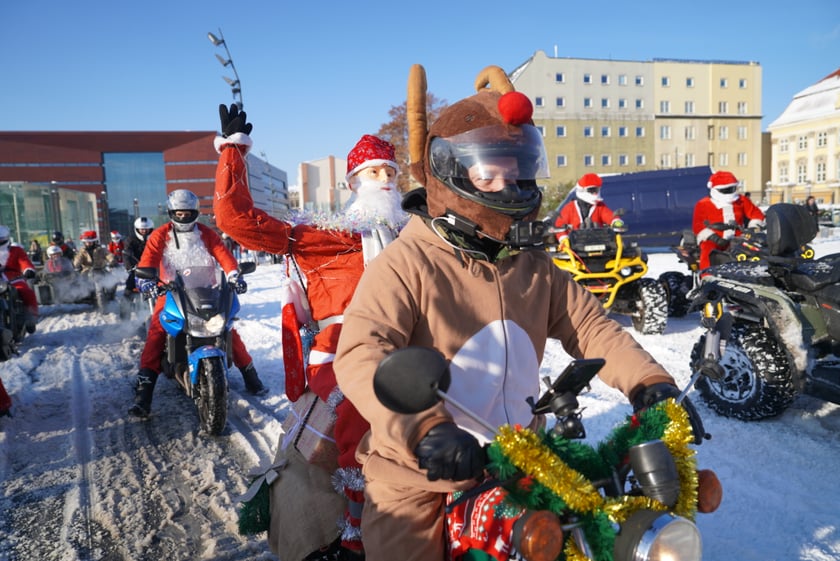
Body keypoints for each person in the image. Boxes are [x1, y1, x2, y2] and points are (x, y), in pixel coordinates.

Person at [332, 64, 706, 561]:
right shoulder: (409, 262)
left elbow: (592, 327)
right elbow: (362, 354)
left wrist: (650, 384)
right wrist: (426, 430)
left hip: (520, 460)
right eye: (489, 172)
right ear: (450, 171)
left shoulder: (532, 265)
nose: (507, 185)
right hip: (423, 474)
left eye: (517, 170)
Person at [214, 103, 407, 559]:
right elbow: (236, 221)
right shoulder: (327, 235)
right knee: (361, 421)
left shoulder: (412, 237)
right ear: (352, 183)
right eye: (372, 172)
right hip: (340, 356)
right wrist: (232, 153)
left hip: (404, 350)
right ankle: (356, 539)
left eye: (390, 172)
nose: (382, 180)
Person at [128, 189, 267, 419]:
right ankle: (144, 395)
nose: (183, 217)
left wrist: (234, 275)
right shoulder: (160, 235)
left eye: (188, 212)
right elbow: (147, 262)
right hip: (170, 293)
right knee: (155, 334)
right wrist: (146, 282)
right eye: (179, 213)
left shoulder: (206, 233)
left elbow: (224, 255)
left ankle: (251, 377)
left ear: (196, 212)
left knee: (228, 329)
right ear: (172, 212)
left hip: (206, 290)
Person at [692, 170, 765, 270]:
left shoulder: (742, 200)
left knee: (755, 253)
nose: (729, 192)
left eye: (732, 189)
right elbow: (698, 225)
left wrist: (753, 228)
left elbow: (757, 214)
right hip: (714, 239)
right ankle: (707, 276)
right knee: (708, 251)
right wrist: (713, 237)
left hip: (739, 238)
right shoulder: (703, 204)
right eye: (726, 190)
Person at [553, 172, 624, 242]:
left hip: (598, 243)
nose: (595, 193)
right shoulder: (570, 208)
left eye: (597, 190)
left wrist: (616, 222)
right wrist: (564, 238)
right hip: (575, 246)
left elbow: (609, 216)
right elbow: (559, 225)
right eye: (592, 190)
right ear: (582, 190)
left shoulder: (599, 206)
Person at [0, 225, 39, 333]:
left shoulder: (16, 250)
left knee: (27, 292)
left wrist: (28, 270)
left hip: (14, 279)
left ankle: (31, 318)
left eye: (1, 241)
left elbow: (24, 261)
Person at [122, 217, 154, 301]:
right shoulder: (131, 240)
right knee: (129, 288)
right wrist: (129, 267)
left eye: (146, 229)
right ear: (137, 229)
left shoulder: (154, 239)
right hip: (137, 269)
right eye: (142, 230)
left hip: (153, 270)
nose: (144, 231)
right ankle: (125, 312)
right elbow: (126, 254)